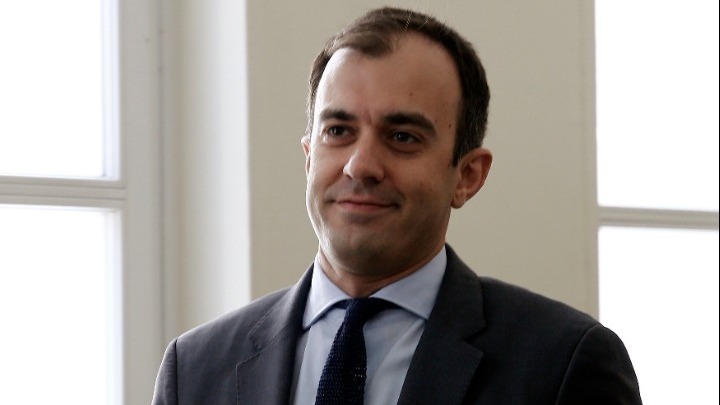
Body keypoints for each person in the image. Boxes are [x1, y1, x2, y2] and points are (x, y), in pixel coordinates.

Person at [152, 7, 642, 405]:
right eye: (338, 131)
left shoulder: (562, 365)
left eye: (402, 136)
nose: (360, 165)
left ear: (468, 176)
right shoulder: (194, 371)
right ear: (308, 157)